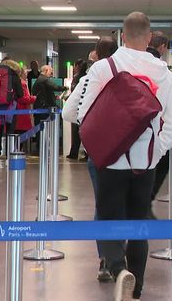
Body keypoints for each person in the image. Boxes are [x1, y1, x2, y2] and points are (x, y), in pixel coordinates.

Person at [78, 12, 172, 301]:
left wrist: (99, 148)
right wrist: (156, 151)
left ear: (122, 36)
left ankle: (117, 267)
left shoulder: (104, 67)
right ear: (149, 38)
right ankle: (136, 287)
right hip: (144, 162)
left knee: (108, 216)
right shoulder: (164, 73)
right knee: (138, 220)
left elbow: (84, 116)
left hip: (110, 160)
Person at [63, 36, 118, 283]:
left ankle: (105, 260)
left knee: (102, 204)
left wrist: (88, 125)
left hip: (97, 151)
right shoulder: (126, 74)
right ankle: (123, 258)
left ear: (95, 53)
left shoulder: (87, 79)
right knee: (127, 204)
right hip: (126, 150)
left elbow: (68, 112)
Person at [146, 31, 171, 219]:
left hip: (128, 133)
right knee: (161, 164)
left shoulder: (128, 64)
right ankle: (146, 201)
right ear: (162, 46)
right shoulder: (164, 71)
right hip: (155, 130)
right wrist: (163, 145)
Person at [0, 58, 23, 164]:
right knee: (10, 133)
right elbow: (21, 94)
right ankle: (9, 157)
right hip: (10, 108)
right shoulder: (14, 75)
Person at [32, 64, 68, 133]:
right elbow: (55, 87)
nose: (51, 75)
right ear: (46, 71)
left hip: (39, 107)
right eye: (50, 72)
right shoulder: (44, 79)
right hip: (44, 108)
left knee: (40, 130)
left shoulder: (40, 79)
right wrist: (65, 87)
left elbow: (44, 92)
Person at [66, 59, 88, 160]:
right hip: (83, 108)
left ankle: (74, 153)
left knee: (76, 132)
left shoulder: (78, 79)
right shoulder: (85, 78)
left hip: (78, 108)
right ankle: (84, 153)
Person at [14, 67, 36, 141]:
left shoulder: (18, 82)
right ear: (22, 74)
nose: (27, 75)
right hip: (22, 110)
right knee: (21, 133)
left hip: (19, 110)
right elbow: (23, 98)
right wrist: (33, 98)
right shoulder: (22, 83)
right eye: (26, 73)